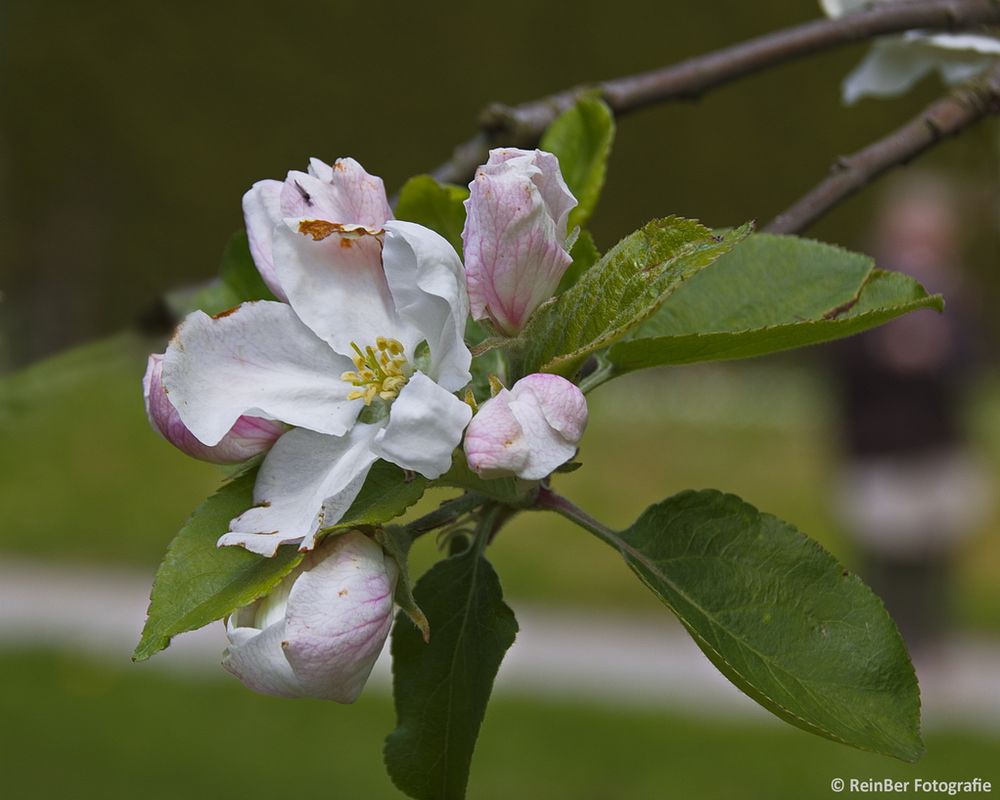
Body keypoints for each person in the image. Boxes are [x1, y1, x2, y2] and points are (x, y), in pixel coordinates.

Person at [830, 173, 990, 655]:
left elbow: (975, 365)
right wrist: (887, 353)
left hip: (937, 444)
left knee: (933, 554)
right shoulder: (857, 292)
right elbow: (837, 363)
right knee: (882, 557)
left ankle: (931, 639)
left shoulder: (960, 297)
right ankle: (883, 643)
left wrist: (937, 355)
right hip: (877, 445)